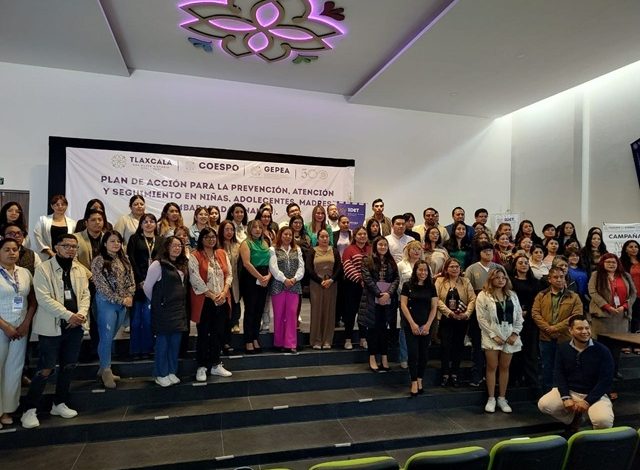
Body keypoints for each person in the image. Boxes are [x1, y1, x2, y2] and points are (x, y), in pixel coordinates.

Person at [21, 234, 90, 429]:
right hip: (52, 327)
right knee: (46, 368)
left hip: (75, 326)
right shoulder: (43, 269)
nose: (70, 249)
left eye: (74, 246)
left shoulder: (79, 269)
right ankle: (29, 409)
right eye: (66, 245)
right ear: (56, 247)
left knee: (69, 366)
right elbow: (43, 298)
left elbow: (85, 295)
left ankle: (59, 403)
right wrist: (69, 315)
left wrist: (80, 314)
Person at [538, 315, 614, 431]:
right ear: (570, 330)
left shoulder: (603, 350)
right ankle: (575, 418)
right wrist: (566, 397)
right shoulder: (563, 348)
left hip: (595, 394)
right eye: (580, 328)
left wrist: (587, 401)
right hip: (571, 391)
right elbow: (559, 374)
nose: (585, 332)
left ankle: (590, 426)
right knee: (544, 404)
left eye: (587, 328)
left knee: (603, 422)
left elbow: (605, 381)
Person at [91, 230, 135, 388]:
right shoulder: (98, 260)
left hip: (123, 304)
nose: (116, 244)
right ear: (104, 243)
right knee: (106, 337)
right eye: (112, 241)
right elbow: (101, 286)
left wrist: (130, 295)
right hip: (106, 303)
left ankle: (103, 367)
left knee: (110, 337)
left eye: (118, 241)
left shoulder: (124, 259)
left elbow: (131, 280)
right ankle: (106, 370)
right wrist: (120, 299)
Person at [476, 267, 523, 413]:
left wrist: (515, 333)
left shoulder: (512, 295)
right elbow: (481, 318)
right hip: (492, 334)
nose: (501, 280)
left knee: (505, 367)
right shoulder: (483, 295)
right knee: (492, 366)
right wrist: (493, 335)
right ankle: (491, 398)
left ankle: (502, 398)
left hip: (509, 333)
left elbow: (519, 315)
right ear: (491, 279)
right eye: (497, 278)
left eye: (503, 278)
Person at [189, 227, 233, 382]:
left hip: (222, 298)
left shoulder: (221, 253)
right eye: (207, 237)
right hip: (205, 301)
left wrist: (224, 291)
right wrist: (212, 295)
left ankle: (215, 364)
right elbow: (195, 279)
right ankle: (201, 366)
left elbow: (229, 274)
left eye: (213, 236)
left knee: (218, 333)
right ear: (201, 239)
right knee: (204, 333)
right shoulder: (195, 256)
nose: (211, 239)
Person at [144, 236, 189, 387]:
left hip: (178, 309)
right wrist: (159, 301)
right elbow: (147, 287)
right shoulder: (157, 264)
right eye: (174, 245)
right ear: (166, 247)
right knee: (163, 343)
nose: (177, 248)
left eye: (180, 246)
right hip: (163, 310)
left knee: (175, 342)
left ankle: (171, 371)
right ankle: (160, 373)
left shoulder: (182, 264)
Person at [0, 238, 36, 428]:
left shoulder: (24, 273)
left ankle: (7, 409)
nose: (12, 253)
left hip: (21, 327)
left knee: (14, 369)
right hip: (2, 326)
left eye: (15, 249)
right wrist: (5, 326)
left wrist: (26, 323)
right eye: (7, 249)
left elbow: (32, 301)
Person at [588, 253, 637, 389]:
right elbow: (592, 292)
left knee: (616, 348)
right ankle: (600, 373)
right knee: (601, 347)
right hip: (602, 316)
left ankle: (614, 370)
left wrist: (625, 306)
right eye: (608, 262)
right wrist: (607, 306)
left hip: (620, 317)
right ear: (603, 263)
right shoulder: (596, 275)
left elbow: (633, 293)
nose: (611, 264)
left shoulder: (625, 275)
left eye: (614, 262)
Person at [531, 266, 583, 392]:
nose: (559, 280)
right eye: (555, 277)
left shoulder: (574, 297)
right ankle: (547, 395)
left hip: (565, 338)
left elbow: (576, 316)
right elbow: (535, 313)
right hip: (546, 338)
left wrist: (555, 328)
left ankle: (566, 394)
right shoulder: (541, 295)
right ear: (549, 279)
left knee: (567, 367)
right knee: (547, 368)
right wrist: (547, 328)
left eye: (561, 277)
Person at [435, 257, 476, 387]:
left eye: (457, 266)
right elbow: (436, 299)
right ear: (446, 269)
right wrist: (450, 313)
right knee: (445, 346)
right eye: (451, 266)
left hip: (462, 319)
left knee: (458, 346)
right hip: (446, 319)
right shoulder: (440, 281)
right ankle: (445, 374)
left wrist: (467, 314)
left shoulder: (465, 281)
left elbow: (472, 299)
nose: (454, 269)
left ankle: (455, 374)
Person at [465, 242, 500, 387]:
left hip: (496, 311)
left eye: (490, 251)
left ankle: (493, 377)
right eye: (485, 251)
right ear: (479, 253)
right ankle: (477, 376)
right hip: (478, 310)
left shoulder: (498, 268)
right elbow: (467, 289)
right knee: (478, 345)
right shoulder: (472, 269)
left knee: (494, 345)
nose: (488, 253)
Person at [360, 236, 398, 371]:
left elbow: (396, 279)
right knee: (373, 330)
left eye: (385, 245)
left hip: (387, 300)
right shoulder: (367, 260)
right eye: (380, 245)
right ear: (375, 246)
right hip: (372, 300)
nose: (383, 247)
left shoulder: (391, 261)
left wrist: (388, 294)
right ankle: (372, 358)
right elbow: (367, 279)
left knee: (384, 330)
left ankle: (384, 357)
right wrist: (379, 294)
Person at [400, 260, 437, 397]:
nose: (423, 273)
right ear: (415, 271)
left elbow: (434, 307)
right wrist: (412, 323)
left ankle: (420, 379)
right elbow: (403, 305)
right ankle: (414, 381)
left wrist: (428, 325)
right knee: (413, 353)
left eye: (425, 270)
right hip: (411, 324)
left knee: (424, 354)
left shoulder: (431, 286)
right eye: (420, 270)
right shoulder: (407, 285)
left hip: (426, 324)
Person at [126, 213, 160, 359]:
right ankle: (135, 350)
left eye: (152, 221)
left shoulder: (161, 240)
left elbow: (161, 261)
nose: (148, 224)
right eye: (145, 222)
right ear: (141, 225)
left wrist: (152, 280)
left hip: (154, 284)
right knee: (136, 320)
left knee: (148, 319)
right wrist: (140, 280)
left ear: (156, 224)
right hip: (138, 284)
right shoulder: (134, 239)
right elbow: (131, 260)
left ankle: (147, 349)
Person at [509, 254, 543, 390]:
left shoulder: (535, 282)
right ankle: (514, 380)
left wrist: (528, 311)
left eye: (526, 263)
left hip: (530, 320)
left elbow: (538, 300)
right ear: (515, 265)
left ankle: (532, 382)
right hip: (514, 319)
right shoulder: (510, 282)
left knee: (530, 351)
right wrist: (518, 312)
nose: (524, 265)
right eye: (520, 263)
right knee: (515, 350)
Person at [269, 227, 304, 353]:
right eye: (285, 234)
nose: (288, 237)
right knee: (279, 314)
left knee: (292, 314)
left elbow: (301, 267)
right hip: (278, 285)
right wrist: (284, 280)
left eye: (290, 234)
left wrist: (294, 279)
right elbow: (273, 268)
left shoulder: (297, 249)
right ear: (280, 235)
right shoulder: (273, 249)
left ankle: (290, 343)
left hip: (294, 285)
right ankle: (278, 342)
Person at [306, 228, 342, 349]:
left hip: (331, 284)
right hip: (316, 284)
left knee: (329, 312)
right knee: (317, 312)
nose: (325, 239)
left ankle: (327, 340)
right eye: (322, 236)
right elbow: (309, 268)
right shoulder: (312, 251)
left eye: (327, 236)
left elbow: (339, 268)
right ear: (317, 238)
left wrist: (331, 280)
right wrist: (320, 281)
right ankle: (316, 340)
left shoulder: (334, 251)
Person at [239, 220, 271, 353]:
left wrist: (268, 276)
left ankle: (255, 337)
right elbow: (246, 263)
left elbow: (271, 262)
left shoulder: (265, 243)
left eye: (260, 227)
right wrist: (259, 277)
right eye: (254, 227)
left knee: (259, 310)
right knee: (250, 310)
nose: (257, 229)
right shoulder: (246, 243)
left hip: (265, 278)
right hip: (251, 279)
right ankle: (248, 340)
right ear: (249, 229)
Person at [397, 240, 425, 369]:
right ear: (408, 251)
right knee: (405, 328)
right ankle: (404, 357)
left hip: (422, 302)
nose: (416, 251)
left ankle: (417, 357)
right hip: (405, 301)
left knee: (421, 327)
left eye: (419, 249)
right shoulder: (401, 265)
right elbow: (398, 282)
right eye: (413, 249)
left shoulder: (425, 265)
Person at [341, 226, 370, 349]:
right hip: (352, 286)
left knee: (364, 314)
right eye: (359, 234)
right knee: (350, 313)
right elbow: (347, 266)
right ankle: (348, 339)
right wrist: (360, 279)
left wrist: (368, 281)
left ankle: (363, 338)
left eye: (364, 234)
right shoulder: (349, 249)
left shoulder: (371, 249)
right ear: (355, 236)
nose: (362, 236)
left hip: (368, 287)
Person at [32, 194, 76, 260]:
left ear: (66, 206)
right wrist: (51, 253)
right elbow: (38, 236)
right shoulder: (43, 220)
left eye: (63, 204)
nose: (60, 207)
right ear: (52, 206)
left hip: (66, 257)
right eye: (57, 205)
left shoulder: (72, 223)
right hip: (47, 256)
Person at [219, 220, 242, 340]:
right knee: (223, 308)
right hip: (221, 282)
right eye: (226, 229)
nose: (229, 232)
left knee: (235, 302)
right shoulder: (217, 245)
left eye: (232, 230)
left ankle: (235, 323)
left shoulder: (238, 246)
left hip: (236, 281)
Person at [620, 240, 640, 335]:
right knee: (634, 319)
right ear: (626, 249)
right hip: (632, 295)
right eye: (631, 247)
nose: (634, 249)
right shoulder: (621, 263)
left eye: (636, 247)